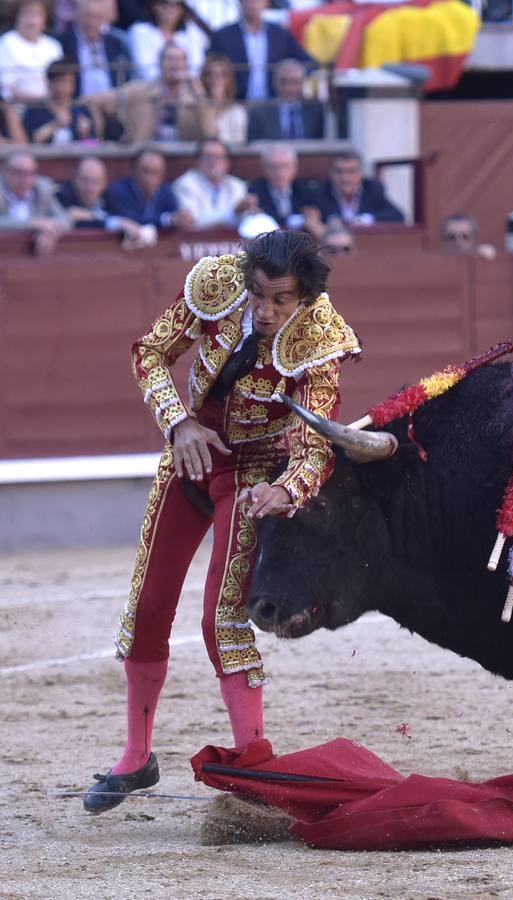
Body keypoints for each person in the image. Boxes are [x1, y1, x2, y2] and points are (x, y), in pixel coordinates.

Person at [83, 230, 362, 813]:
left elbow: (316, 447)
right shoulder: (216, 282)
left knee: (222, 618)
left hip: (253, 471)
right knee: (147, 606)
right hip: (191, 453)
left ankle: (255, 765)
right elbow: (149, 352)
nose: (264, 311)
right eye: (258, 294)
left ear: (306, 296)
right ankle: (136, 757)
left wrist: (287, 490)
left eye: (281, 299)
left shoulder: (322, 339)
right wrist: (178, 423)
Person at [89, 43, 207, 142]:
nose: (175, 64)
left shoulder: (195, 99)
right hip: (142, 159)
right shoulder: (138, 91)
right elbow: (93, 101)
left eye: (180, 60)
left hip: (181, 161)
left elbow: (209, 134)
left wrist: (198, 91)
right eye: (170, 59)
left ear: (186, 66)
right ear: (159, 65)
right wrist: (97, 133)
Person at [209, 0, 312, 100]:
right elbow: (208, 68)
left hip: (272, 105)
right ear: (241, 2)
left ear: (266, 3)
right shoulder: (223, 36)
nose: (252, 3)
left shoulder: (280, 34)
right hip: (236, 104)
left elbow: (307, 63)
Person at [104, 145, 195, 228]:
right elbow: (132, 221)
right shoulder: (118, 191)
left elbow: (176, 218)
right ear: (134, 170)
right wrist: (167, 219)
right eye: (145, 171)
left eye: (155, 173)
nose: (150, 178)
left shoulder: (166, 192)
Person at [56, 0, 132, 97]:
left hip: (111, 103)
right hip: (78, 104)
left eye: (97, 17)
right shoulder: (64, 43)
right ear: (78, 16)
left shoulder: (116, 44)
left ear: (104, 20)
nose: (92, 22)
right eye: (87, 16)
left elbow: (126, 77)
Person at [172, 137, 254, 227]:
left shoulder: (237, 185)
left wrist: (250, 212)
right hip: (197, 239)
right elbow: (192, 221)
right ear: (197, 161)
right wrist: (232, 212)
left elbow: (244, 220)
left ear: (227, 162)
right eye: (208, 157)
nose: (213, 162)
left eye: (218, 157)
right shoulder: (184, 185)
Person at [0, 149, 68, 254]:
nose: (24, 179)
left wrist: (49, 233)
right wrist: (31, 223)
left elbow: (64, 218)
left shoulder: (42, 188)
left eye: (29, 173)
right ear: (5, 173)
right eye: (18, 173)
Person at [314, 152, 404, 225]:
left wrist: (367, 219)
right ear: (331, 173)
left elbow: (397, 216)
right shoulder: (320, 191)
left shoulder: (372, 189)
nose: (345, 178)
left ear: (361, 173)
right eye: (339, 171)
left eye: (351, 171)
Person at [245, 142, 318, 232]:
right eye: (273, 167)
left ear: (294, 168)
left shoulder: (306, 190)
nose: (279, 173)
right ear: (263, 168)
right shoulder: (254, 191)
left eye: (285, 166)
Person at [128, 0, 208, 81]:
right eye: (164, 3)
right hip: (148, 89)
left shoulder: (193, 34)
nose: (170, 9)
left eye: (176, 4)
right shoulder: (139, 32)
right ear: (154, 6)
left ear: (182, 9)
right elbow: (146, 71)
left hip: (186, 88)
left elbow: (196, 68)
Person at [245, 58, 324, 141]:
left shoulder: (316, 112)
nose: (289, 87)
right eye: (284, 81)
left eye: (294, 81)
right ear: (274, 83)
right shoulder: (259, 113)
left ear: (303, 83)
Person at [0, 0, 63, 103]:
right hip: (18, 107)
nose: (31, 20)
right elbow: (6, 88)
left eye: (37, 14)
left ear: (45, 20)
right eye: (26, 13)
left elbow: (61, 83)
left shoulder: (54, 46)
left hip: (50, 106)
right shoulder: (7, 43)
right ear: (17, 17)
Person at [22, 61, 98, 143]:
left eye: (65, 82)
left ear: (73, 84)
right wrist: (55, 125)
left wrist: (85, 133)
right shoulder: (35, 110)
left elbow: (93, 143)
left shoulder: (81, 110)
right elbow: (29, 142)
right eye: (57, 81)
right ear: (48, 82)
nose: (61, 88)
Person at [199, 52, 247, 144]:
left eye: (222, 74)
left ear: (229, 79)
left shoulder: (237, 111)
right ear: (204, 78)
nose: (216, 79)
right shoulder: (196, 110)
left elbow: (237, 144)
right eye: (210, 74)